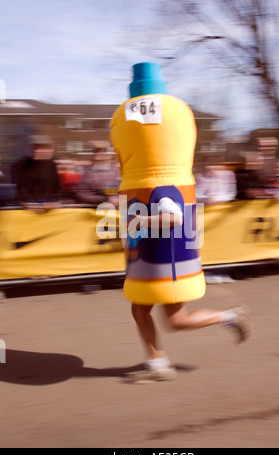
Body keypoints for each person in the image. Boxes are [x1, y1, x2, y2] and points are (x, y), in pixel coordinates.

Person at [111, 63, 251, 384]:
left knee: (161, 316)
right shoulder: (149, 178)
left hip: (166, 257)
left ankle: (165, 360)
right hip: (161, 256)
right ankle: (167, 359)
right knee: (158, 316)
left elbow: (173, 217)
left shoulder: (159, 183)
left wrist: (138, 221)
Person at [16, 135, 61, 214]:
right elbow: (21, 188)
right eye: (37, 148)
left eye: (45, 148)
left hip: (48, 209)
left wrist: (54, 201)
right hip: (30, 209)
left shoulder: (53, 165)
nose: (39, 151)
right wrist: (27, 202)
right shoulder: (23, 165)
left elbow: (56, 187)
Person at [76, 142, 119, 206]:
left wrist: (120, 199)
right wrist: (105, 199)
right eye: (96, 151)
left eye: (104, 150)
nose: (100, 153)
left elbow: (126, 190)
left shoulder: (119, 170)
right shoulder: (85, 171)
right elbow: (82, 193)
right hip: (95, 209)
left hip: (119, 209)